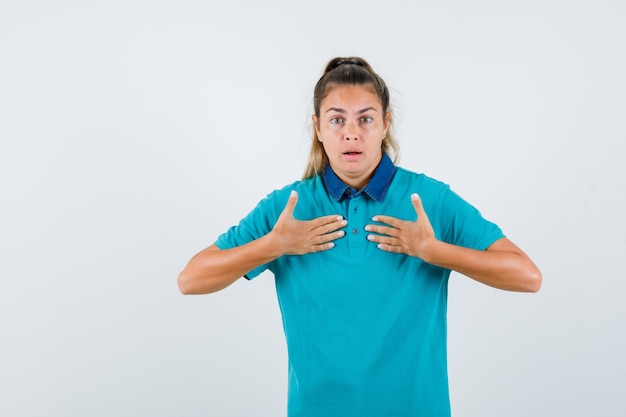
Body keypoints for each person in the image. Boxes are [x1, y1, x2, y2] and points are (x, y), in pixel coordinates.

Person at [177, 57, 542, 417]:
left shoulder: (428, 200)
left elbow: (527, 276)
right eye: (337, 120)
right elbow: (190, 279)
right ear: (318, 127)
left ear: (385, 123)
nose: (351, 133)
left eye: (365, 119)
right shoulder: (288, 207)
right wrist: (274, 245)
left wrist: (434, 250)